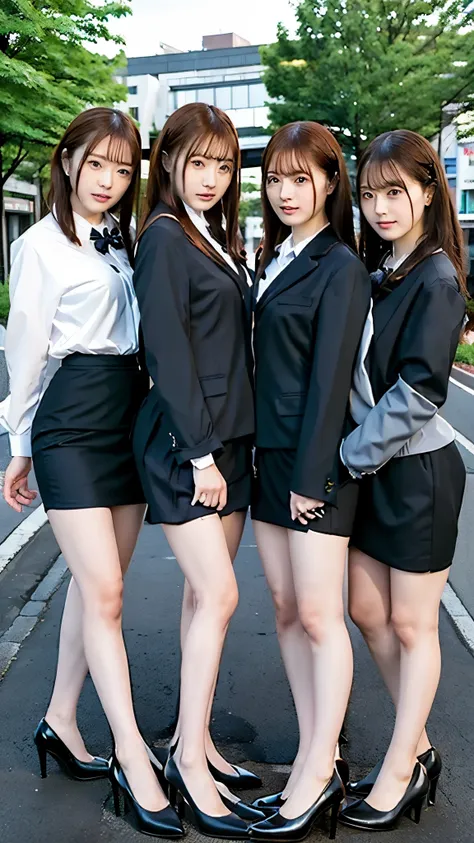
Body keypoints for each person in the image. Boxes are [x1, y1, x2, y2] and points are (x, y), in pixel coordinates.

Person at [1, 108, 183, 839]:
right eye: (95, 163)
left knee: (94, 587)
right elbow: (27, 353)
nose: (107, 180)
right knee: (105, 590)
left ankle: (60, 719)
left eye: (121, 168)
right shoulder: (40, 247)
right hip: (72, 424)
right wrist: (19, 445)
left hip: (128, 421)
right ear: (67, 159)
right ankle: (132, 755)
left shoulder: (124, 241)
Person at [132, 102, 256, 839]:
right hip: (190, 445)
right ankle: (186, 761)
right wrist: (202, 454)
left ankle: (198, 736)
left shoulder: (215, 235)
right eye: (196, 161)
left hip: (232, 440)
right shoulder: (164, 238)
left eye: (222, 164)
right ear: (169, 161)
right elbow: (168, 353)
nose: (210, 177)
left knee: (198, 602)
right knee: (219, 595)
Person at [338, 130, 467, 832]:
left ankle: (398, 768)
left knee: (415, 623)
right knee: (366, 608)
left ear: (426, 189)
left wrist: (348, 457)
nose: (382, 206)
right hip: (373, 463)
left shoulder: (437, 276)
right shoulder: (381, 267)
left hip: (415, 469)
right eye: (370, 194)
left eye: (396, 191)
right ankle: (416, 747)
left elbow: (420, 391)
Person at [248, 121, 371, 842]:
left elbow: (330, 379)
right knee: (288, 610)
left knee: (323, 617)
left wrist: (311, 475)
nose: (287, 191)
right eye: (276, 180)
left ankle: (322, 768)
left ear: (330, 180)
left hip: (311, 467)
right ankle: (310, 752)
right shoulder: (275, 255)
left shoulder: (340, 265)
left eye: (302, 178)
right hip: (270, 460)